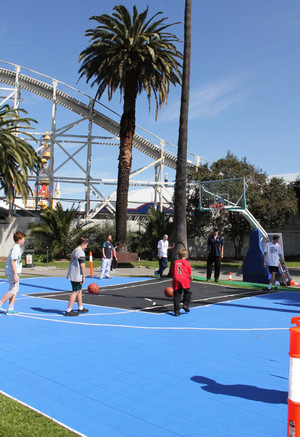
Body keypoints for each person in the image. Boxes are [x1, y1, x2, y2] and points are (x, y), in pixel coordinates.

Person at [0, 231, 26, 315]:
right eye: (23, 239)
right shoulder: (16, 248)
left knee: (15, 290)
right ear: (19, 240)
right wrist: (15, 274)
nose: (24, 241)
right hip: (12, 272)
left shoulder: (17, 247)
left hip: (14, 272)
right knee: (13, 290)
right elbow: (12, 261)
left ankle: (10, 308)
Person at [65, 236, 89, 316]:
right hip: (77, 275)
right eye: (86, 245)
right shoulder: (81, 252)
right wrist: (83, 276)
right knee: (75, 292)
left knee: (79, 291)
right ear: (83, 244)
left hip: (72, 273)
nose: (86, 247)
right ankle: (68, 310)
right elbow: (82, 265)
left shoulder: (74, 251)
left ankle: (80, 307)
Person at [172, 249, 193, 317]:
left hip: (177, 279)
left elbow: (173, 271)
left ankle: (177, 311)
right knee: (187, 293)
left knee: (177, 295)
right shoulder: (187, 262)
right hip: (185, 279)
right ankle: (185, 304)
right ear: (185, 256)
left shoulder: (175, 262)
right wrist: (190, 277)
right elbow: (189, 272)